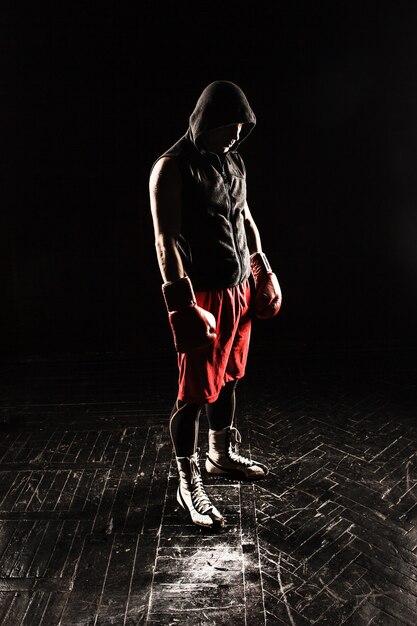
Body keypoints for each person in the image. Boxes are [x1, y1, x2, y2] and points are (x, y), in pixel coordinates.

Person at [149, 80, 282, 529]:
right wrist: (182, 304)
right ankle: (189, 483)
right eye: (230, 126)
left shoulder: (233, 160)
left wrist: (263, 268)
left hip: (239, 288)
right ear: (207, 121)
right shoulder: (171, 167)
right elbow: (165, 240)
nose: (238, 135)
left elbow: (245, 217)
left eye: (243, 127)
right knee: (193, 394)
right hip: (201, 295)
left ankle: (219, 454)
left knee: (229, 378)